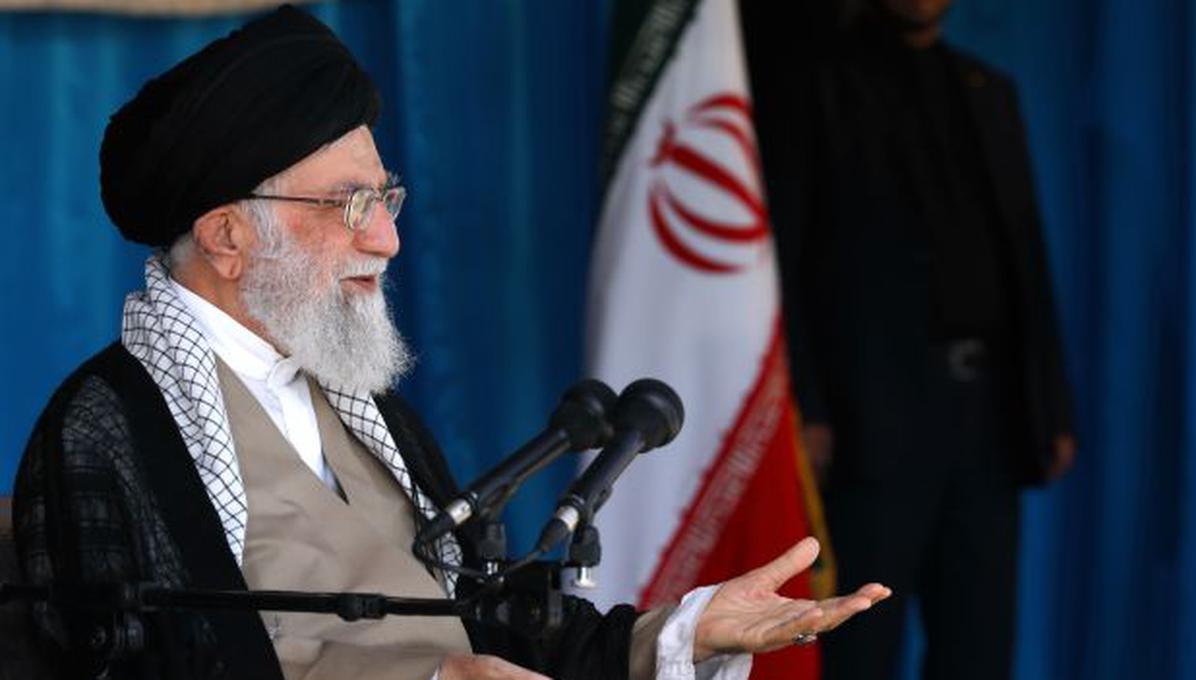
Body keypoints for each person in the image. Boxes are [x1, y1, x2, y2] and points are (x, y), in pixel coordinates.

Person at [11, 6, 889, 680]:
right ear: (229, 238)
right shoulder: (103, 430)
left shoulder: (362, 407)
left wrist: (684, 631)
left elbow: (489, 623)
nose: (387, 241)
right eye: (350, 205)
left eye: (385, 200)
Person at [744, 0, 1076, 678]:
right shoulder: (817, 84)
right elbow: (787, 257)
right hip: (875, 413)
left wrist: (1051, 403)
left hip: (986, 415)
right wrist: (809, 401)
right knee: (862, 639)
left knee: (980, 639)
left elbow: (1024, 257)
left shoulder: (986, 88)